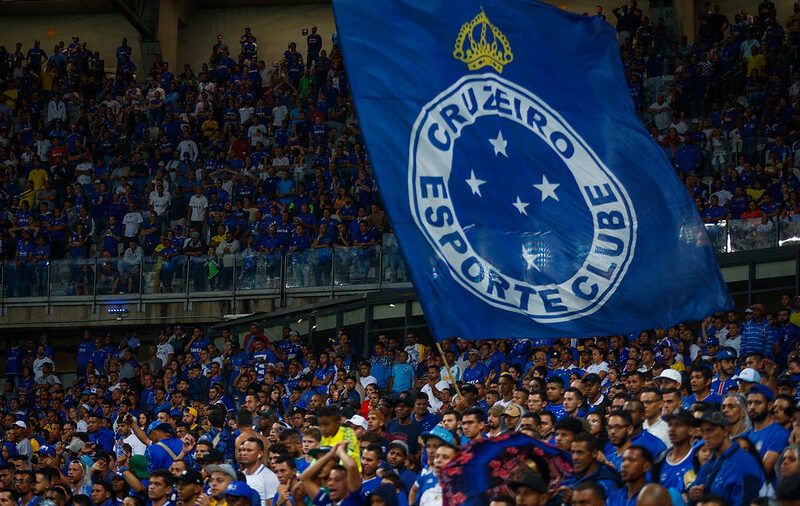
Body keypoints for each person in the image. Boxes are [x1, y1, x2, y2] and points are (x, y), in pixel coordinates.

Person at [688, 410, 764, 506]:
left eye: (710, 430)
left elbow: (746, 502)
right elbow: (694, 491)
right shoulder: (710, 463)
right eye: (703, 431)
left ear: (725, 431)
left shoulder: (745, 463)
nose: (705, 436)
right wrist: (692, 496)